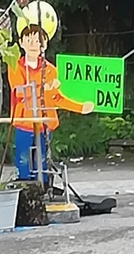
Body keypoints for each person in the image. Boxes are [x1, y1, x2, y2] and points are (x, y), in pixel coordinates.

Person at [8, 17, 93, 182]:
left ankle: (43, 189)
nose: (34, 45)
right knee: (23, 158)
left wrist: (80, 107)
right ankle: (25, 188)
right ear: (21, 42)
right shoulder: (15, 67)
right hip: (24, 121)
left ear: (45, 44)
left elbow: (56, 98)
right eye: (29, 40)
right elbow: (19, 92)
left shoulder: (50, 70)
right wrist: (42, 87)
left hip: (44, 123)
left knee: (41, 159)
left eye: (38, 41)